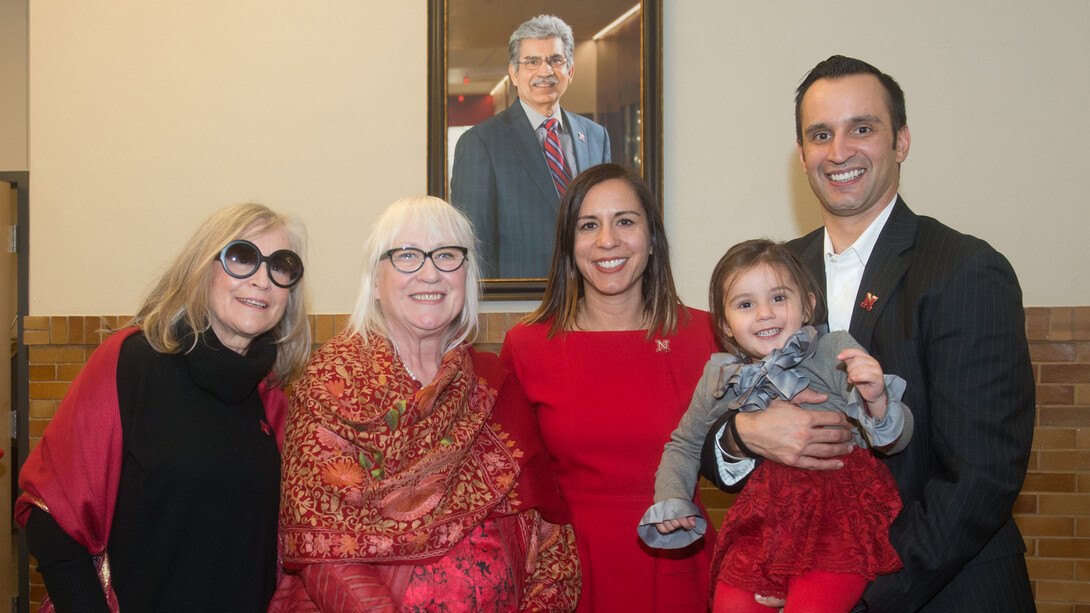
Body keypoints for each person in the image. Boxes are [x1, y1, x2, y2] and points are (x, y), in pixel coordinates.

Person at [703, 55, 1035, 612]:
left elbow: (981, 478)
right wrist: (742, 435)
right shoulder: (772, 274)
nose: (839, 151)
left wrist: (851, 596)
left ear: (901, 141)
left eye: (862, 128)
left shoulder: (965, 269)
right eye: (820, 134)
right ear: (803, 154)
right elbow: (721, 434)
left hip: (938, 592)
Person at [271, 196, 580, 612]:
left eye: (447, 256)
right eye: (407, 256)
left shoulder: (494, 384)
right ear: (375, 282)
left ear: (466, 277)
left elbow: (549, 533)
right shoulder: (329, 386)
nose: (431, 273)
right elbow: (326, 555)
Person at [17, 202, 312, 612]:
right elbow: (52, 521)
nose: (262, 279)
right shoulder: (130, 363)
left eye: (280, 265)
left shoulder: (273, 397)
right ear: (201, 269)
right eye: (242, 257)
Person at [642, 239, 913, 612]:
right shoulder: (719, 378)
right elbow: (686, 444)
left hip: (837, 519)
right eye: (746, 304)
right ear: (724, 324)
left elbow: (896, 440)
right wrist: (672, 497)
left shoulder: (834, 351)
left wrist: (878, 400)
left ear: (808, 306)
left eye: (779, 298)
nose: (765, 313)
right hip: (763, 524)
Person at [500, 163, 716, 612]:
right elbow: (512, 485)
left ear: (652, 239)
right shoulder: (527, 346)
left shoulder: (708, 336)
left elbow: (752, 464)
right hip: (568, 568)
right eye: (588, 225)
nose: (607, 240)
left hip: (680, 561)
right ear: (569, 246)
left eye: (625, 221)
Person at [451, 14, 610, 279]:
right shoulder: (481, 142)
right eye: (532, 61)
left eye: (555, 60)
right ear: (514, 73)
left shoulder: (595, 136)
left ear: (570, 71)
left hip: (593, 291)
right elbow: (474, 245)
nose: (545, 71)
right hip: (523, 299)